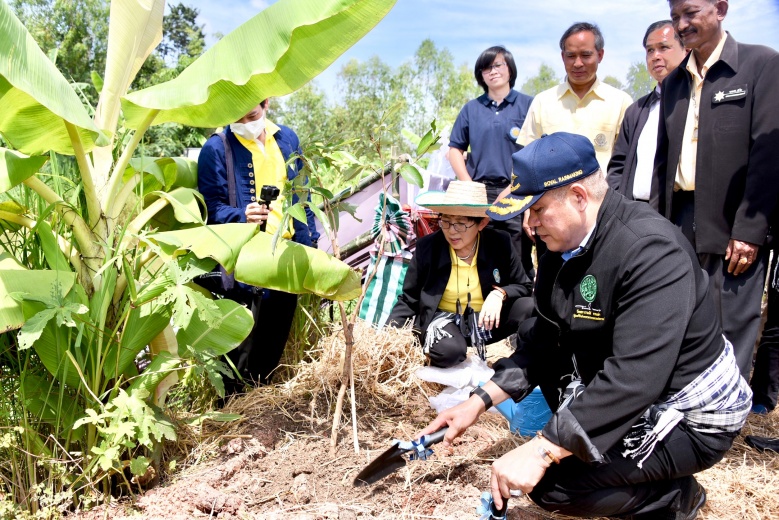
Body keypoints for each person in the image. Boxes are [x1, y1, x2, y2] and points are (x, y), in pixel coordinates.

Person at [421, 132, 751, 518]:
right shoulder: (557, 246)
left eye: (538, 209)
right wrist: (475, 403)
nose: (531, 223)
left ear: (579, 197)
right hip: (632, 389)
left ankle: (675, 497)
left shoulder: (651, 250)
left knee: (550, 487)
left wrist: (545, 447)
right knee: (534, 338)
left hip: (687, 414)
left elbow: (636, 376)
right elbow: (545, 339)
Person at [652, 0, 779, 378]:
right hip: (679, 220)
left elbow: (768, 155)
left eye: (690, 12)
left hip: (733, 222)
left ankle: (724, 423)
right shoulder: (674, 81)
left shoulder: (760, 65)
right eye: (675, 16)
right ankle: (687, 411)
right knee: (680, 317)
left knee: (731, 323)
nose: (681, 24)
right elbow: (663, 163)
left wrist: (749, 230)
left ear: (720, 8)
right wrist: (657, 230)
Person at [197, 99, 319, 389]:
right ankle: (231, 413)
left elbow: (304, 199)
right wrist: (242, 214)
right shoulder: (216, 147)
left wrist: (310, 246)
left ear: (266, 104)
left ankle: (259, 410)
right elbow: (209, 210)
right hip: (245, 263)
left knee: (273, 343)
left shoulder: (287, 138)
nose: (245, 122)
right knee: (239, 351)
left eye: (251, 114)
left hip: (286, 258)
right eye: (236, 116)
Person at [514, 22, 632, 257]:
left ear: (600, 55)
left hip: (602, 217)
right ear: (562, 57)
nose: (578, 63)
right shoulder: (543, 102)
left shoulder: (620, 103)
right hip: (551, 220)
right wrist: (529, 208)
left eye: (586, 55)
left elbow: (626, 166)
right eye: (571, 56)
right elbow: (526, 164)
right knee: (553, 286)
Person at [387, 181, 533, 368]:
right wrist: (389, 334)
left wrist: (499, 294)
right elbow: (409, 298)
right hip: (444, 320)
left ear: (482, 223)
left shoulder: (499, 243)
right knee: (449, 352)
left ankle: (522, 364)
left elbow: (524, 286)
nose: (452, 231)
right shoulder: (428, 248)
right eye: (446, 222)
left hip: (486, 320)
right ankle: (451, 351)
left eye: (461, 224)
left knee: (528, 307)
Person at [449, 46, 535, 276]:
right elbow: (454, 149)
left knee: (516, 252)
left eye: (498, 65)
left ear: (510, 69)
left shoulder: (528, 105)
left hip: (517, 190)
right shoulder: (471, 109)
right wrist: (469, 184)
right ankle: (482, 305)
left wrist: (513, 187)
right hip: (478, 192)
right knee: (479, 250)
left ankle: (519, 306)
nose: (492, 71)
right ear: (480, 75)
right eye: (486, 68)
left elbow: (535, 151)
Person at [607, 20, 687, 201]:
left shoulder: (698, 104)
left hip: (683, 217)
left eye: (664, 47)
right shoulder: (636, 110)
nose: (655, 56)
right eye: (650, 50)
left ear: (687, 50)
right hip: (637, 214)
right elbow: (618, 167)